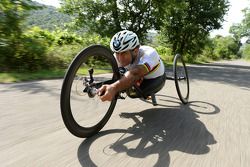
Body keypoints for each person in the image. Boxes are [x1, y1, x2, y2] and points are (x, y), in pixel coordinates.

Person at [98, 30, 166, 102]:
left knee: (132, 93)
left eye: (124, 53)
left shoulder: (149, 54)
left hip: (155, 79)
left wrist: (114, 88)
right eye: (117, 53)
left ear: (135, 51)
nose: (120, 59)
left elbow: (134, 74)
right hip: (136, 76)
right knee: (124, 81)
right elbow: (116, 76)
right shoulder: (116, 56)